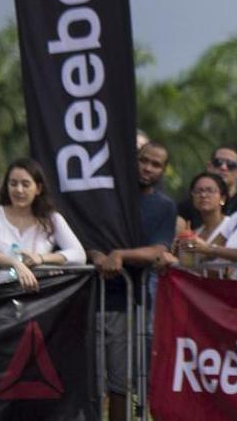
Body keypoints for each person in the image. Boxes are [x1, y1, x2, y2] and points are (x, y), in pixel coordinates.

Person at [87, 141, 178, 420]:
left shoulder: (164, 206)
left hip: (130, 305)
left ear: (163, 171)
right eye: (144, 161)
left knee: (120, 383)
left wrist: (120, 255)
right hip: (86, 300)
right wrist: (97, 256)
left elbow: (158, 250)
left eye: (156, 164)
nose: (148, 168)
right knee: (86, 382)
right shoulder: (105, 197)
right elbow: (84, 237)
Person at [0, 158, 86, 290]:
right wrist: (16, 264)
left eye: (25, 184)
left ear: (38, 188)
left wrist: (41, 259)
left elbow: (79, 255)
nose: (19, 190)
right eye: (13, 184)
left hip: (33, 299)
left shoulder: (52, 219)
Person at [174, 172, 234, 277]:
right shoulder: (195, 233)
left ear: (223, 198)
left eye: (210, 190)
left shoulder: (233, 225)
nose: (203, 195)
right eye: (198, 191)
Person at [176, 146, 237, 227]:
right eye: (218, 162)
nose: (223, 167)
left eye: (230, 165)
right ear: (209, 166)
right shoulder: (188, 205)